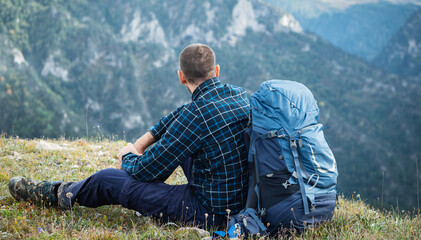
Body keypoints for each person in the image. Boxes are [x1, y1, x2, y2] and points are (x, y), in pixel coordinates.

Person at [8, 43, 250, 228]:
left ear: (181, 77)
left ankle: (58, 193)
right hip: (243, 198)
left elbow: (147, 171)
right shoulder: (238, 94)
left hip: (213, 212)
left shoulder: (195, 116)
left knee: (108, 180)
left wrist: (128, 157)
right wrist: (143, 141)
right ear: (216, 71)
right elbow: (183, 114)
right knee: (180, 141)